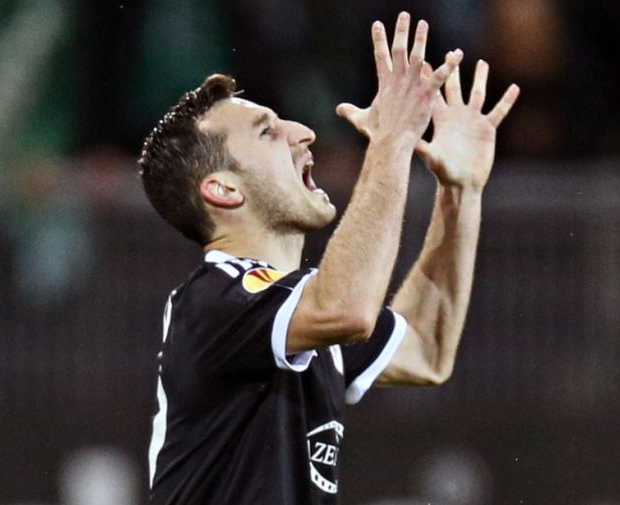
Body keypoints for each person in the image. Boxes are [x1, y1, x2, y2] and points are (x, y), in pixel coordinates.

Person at [138, 12, 518, 505]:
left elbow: (426, 349)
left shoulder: (298, 316)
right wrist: (392, 141)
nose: (303, 132)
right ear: (223, 189)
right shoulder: (212, 302)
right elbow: (348, 308)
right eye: (267, 132)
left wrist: (460, 191)